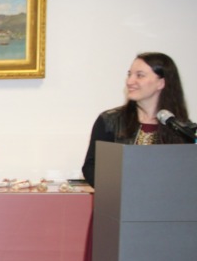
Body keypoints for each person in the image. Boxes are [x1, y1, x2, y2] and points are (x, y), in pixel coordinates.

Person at [82, 52, 192, 186]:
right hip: (119, 198)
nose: (129, 81)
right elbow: (91, 167)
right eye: (129, 75)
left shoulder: (182, 129)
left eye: (140, 75)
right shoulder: (109, 121)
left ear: (161, 83)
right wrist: (120, 190)